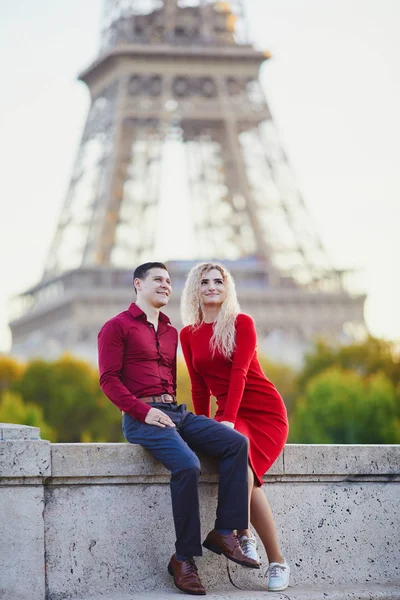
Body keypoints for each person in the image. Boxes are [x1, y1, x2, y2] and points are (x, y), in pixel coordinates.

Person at [98, 262, 259, 597]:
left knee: (234, 443)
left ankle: (224, 531)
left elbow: (174, 383)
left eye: (169, 281)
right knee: (188, 465)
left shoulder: (172, 332)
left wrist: (188, 419)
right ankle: (183, 559)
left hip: (174, 411)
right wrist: (145, 412)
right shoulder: (116, 327)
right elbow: (109, 381)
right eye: (158, 279)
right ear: (137, 284)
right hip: (141, 416)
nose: (165, 285)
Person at [179, 262, 290, 592]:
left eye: (219, 281)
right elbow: (198, 387)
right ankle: (246, 538)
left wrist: (226, 419)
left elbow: (240, 373)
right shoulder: (188, 334)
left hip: (262, 410)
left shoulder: (241, 322)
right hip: (227, 413)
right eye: (205, 282)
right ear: (194, 290)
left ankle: (271, 557)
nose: (212, 286)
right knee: (244, 469)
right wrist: (200, 427)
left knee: (249, 475)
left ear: (227, 288)